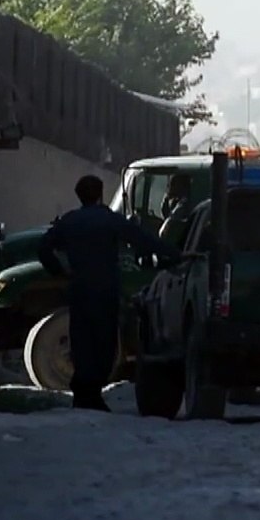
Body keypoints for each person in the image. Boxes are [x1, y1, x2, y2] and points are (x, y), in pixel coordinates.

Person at [37, 175, 179, 411]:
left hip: (79, 289)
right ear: (100, 194)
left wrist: (59, 272)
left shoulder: (70, 221)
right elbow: (143, 240)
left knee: (82, 341)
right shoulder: (110, 220)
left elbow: (43, 248)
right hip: (105, 290)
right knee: (104, 342)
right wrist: (175, 254)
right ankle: (93, 395)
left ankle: (82, 394)